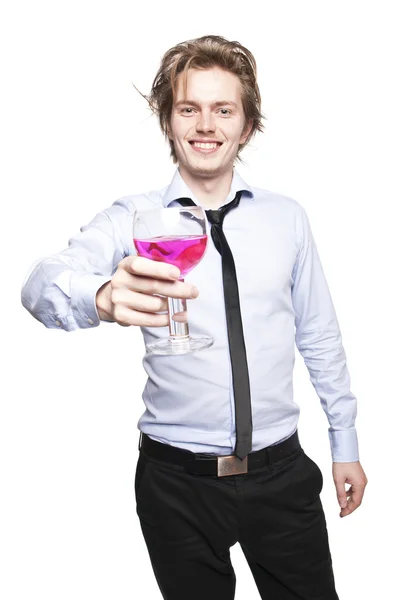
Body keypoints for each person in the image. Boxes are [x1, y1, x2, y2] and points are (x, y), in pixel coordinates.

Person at [21, 35, 367, 599]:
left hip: (282, 475)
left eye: (223, 109)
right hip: (173, 485)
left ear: (246, 126)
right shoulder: (134, 217)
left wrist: (344, 443)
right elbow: (40, 284)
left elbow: (319, 335)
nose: (206, 124)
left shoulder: (288, 219)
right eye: (189, 109)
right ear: (169, 122)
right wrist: (101, 296)